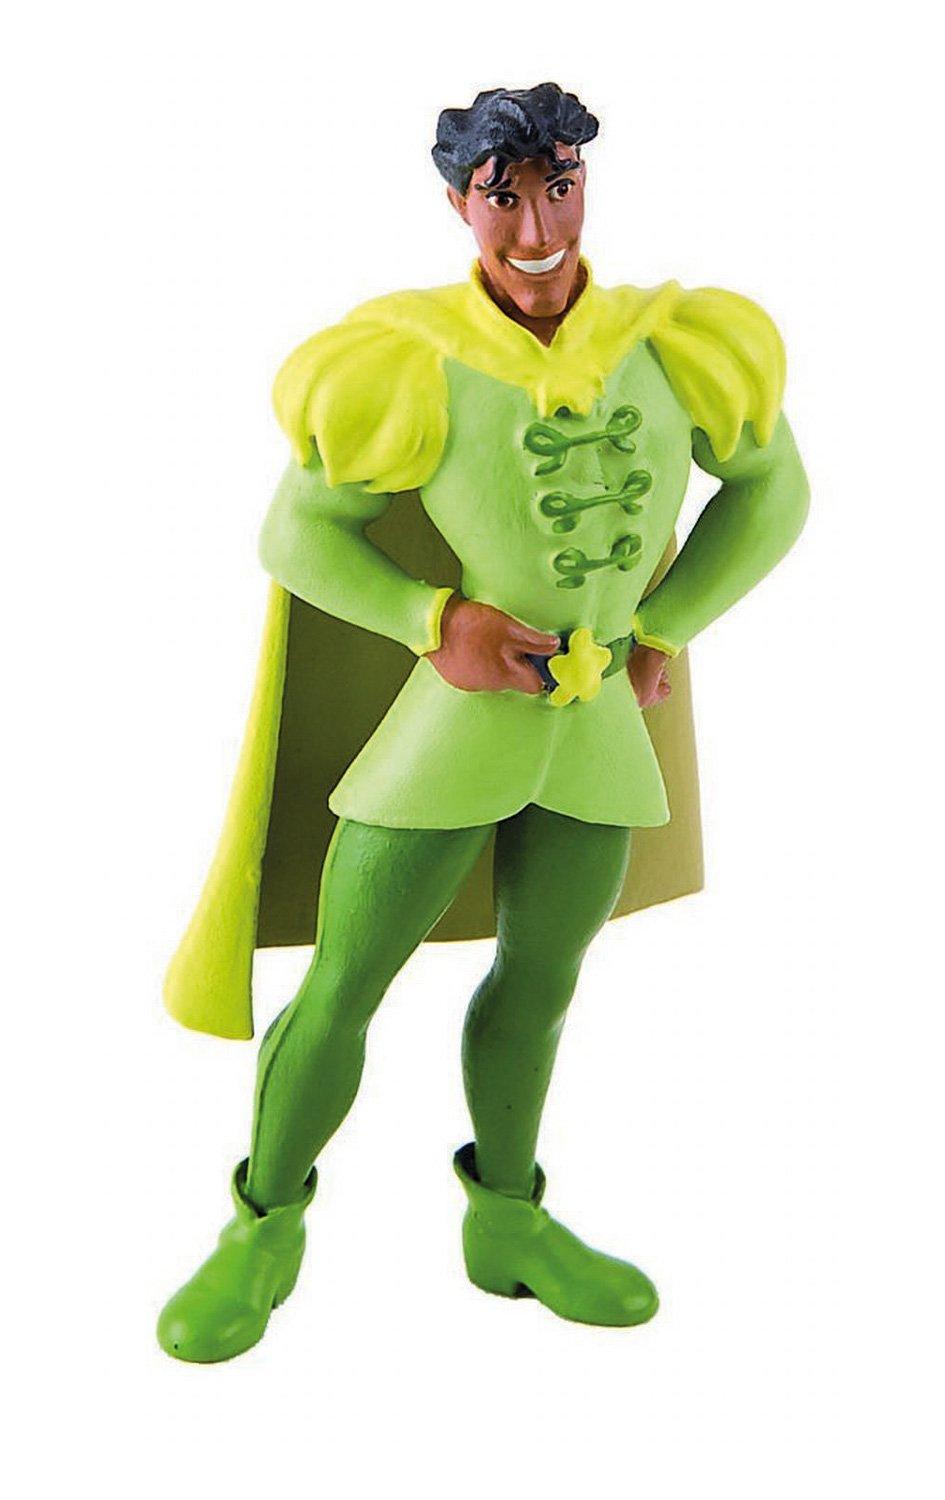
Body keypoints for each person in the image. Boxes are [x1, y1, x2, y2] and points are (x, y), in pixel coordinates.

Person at [158, 82, 809, 1362]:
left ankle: (506, 1215)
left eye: (558, 187)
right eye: (503, 196)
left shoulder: (675, 343)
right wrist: (430, 621)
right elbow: (297, 533)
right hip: (454, 728)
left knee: (545, 981)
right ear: (460, 202)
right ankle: (262, 1223)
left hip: (596, 725)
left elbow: (773, 489)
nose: (537, 227)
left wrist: (667, 625)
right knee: (346, 982)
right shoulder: (408, 359)